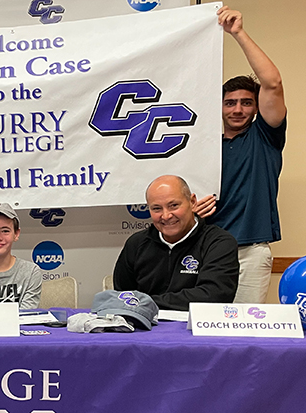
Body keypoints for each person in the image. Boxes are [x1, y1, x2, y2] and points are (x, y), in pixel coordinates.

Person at [194, 6, 286, 304]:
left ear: (257, 108)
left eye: (247, 103)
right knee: (203, 329)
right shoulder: (200, 144)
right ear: (218, 107)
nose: (237, 109)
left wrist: (238, 33)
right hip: (205, 248)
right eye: (229, 103)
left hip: (250, 251)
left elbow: (272, 83)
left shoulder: (264, 136)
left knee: (244, 332)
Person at [114, 175, 239, 311]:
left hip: (195, 328)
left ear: (192, 202)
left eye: (173, 206)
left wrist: (146, 302)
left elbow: (214, 296)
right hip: (146, 327)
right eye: (157, 208)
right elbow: (122, 297)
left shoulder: (219, 242)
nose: (166, 215)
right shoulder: (136, 244)